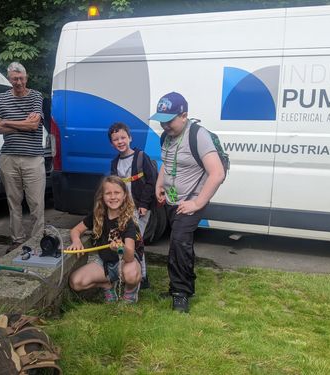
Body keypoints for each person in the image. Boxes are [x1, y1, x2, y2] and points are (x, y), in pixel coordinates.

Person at [151, 92, 225, 313]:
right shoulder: (167, 136)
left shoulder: (198, 135)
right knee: (182, 244)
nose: (165, 126)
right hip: (173, 200)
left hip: (191, 200)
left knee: (178, 241)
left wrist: (197, 203)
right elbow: (166, 162)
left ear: (184, 115)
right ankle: (184, 283)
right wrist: (159, 184)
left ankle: (180, 293)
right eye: (162, 121)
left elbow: (217, 173)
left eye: (170, 120)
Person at [0, 62, 46, 249]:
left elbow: (33, 126)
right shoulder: (1, 98)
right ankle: (17, 240)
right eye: (15, 79)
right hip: (9, 157)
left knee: (37, 202)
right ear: (10, 79)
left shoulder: (36, 96)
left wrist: (7, 121)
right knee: (13, 202)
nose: (19, 82)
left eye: (22, 78)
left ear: (26, 78)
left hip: (32, 157)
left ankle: (38, 240)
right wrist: (21, 123)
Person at [68, 176, 143, 303]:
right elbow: (75, 230)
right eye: (108, 193)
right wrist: (76, 241)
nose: (113, 197)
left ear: (124, 195)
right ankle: (107, 285)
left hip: (124, 263)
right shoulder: (97, 215)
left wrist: (121, 248)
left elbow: (129, 256)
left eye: (117, 193)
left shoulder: (128, 221)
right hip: (104, 264)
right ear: (102, 196)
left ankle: (131, 291)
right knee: (76, 282)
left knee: (131, 274)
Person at [108, 122, 156, 288]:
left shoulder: (141, 157)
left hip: (139, 208)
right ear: (112, 143)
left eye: (123, 137)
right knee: (130, 241)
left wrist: (144, 204)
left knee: (136, 241)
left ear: (130, 138)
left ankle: (142, 278)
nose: (120, 141)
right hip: (124, 209)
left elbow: (151, 182)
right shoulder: (114, 163)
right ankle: (130, 273)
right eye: (115, 139)